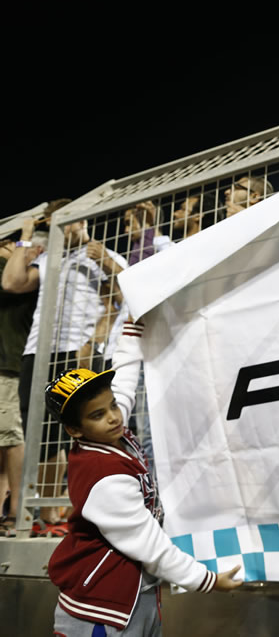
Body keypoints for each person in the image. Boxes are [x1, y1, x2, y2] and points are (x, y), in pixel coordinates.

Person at [44, 319, 242, 635]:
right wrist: (207, 580)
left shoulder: (107, 430)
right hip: (100, 610)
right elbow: (150, 546)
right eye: (98, 414)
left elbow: (123, 381)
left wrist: (131, 330)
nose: (113, 417)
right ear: (74, 430)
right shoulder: (103, 477)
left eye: (112, 406)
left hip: (133, 597)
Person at [1, 208, 128, 535]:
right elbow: (11, 282)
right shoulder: (48, 257)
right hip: (38, 351)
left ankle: (89, 508)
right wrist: (25, 237)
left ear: (82, 220)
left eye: (66, 221)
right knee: (40, 435)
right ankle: (49, 513)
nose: (60, 228)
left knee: (83, 430)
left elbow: (124, 299)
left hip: (79, 352)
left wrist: (94, 341)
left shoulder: (103, 254)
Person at [0, 234, 42, 536]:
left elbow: (10, 281)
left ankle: (17, 511)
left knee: (12, 438)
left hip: (10, 365)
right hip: (8, 365)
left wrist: (22, 241)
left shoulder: (25, 275)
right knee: (5, 440)